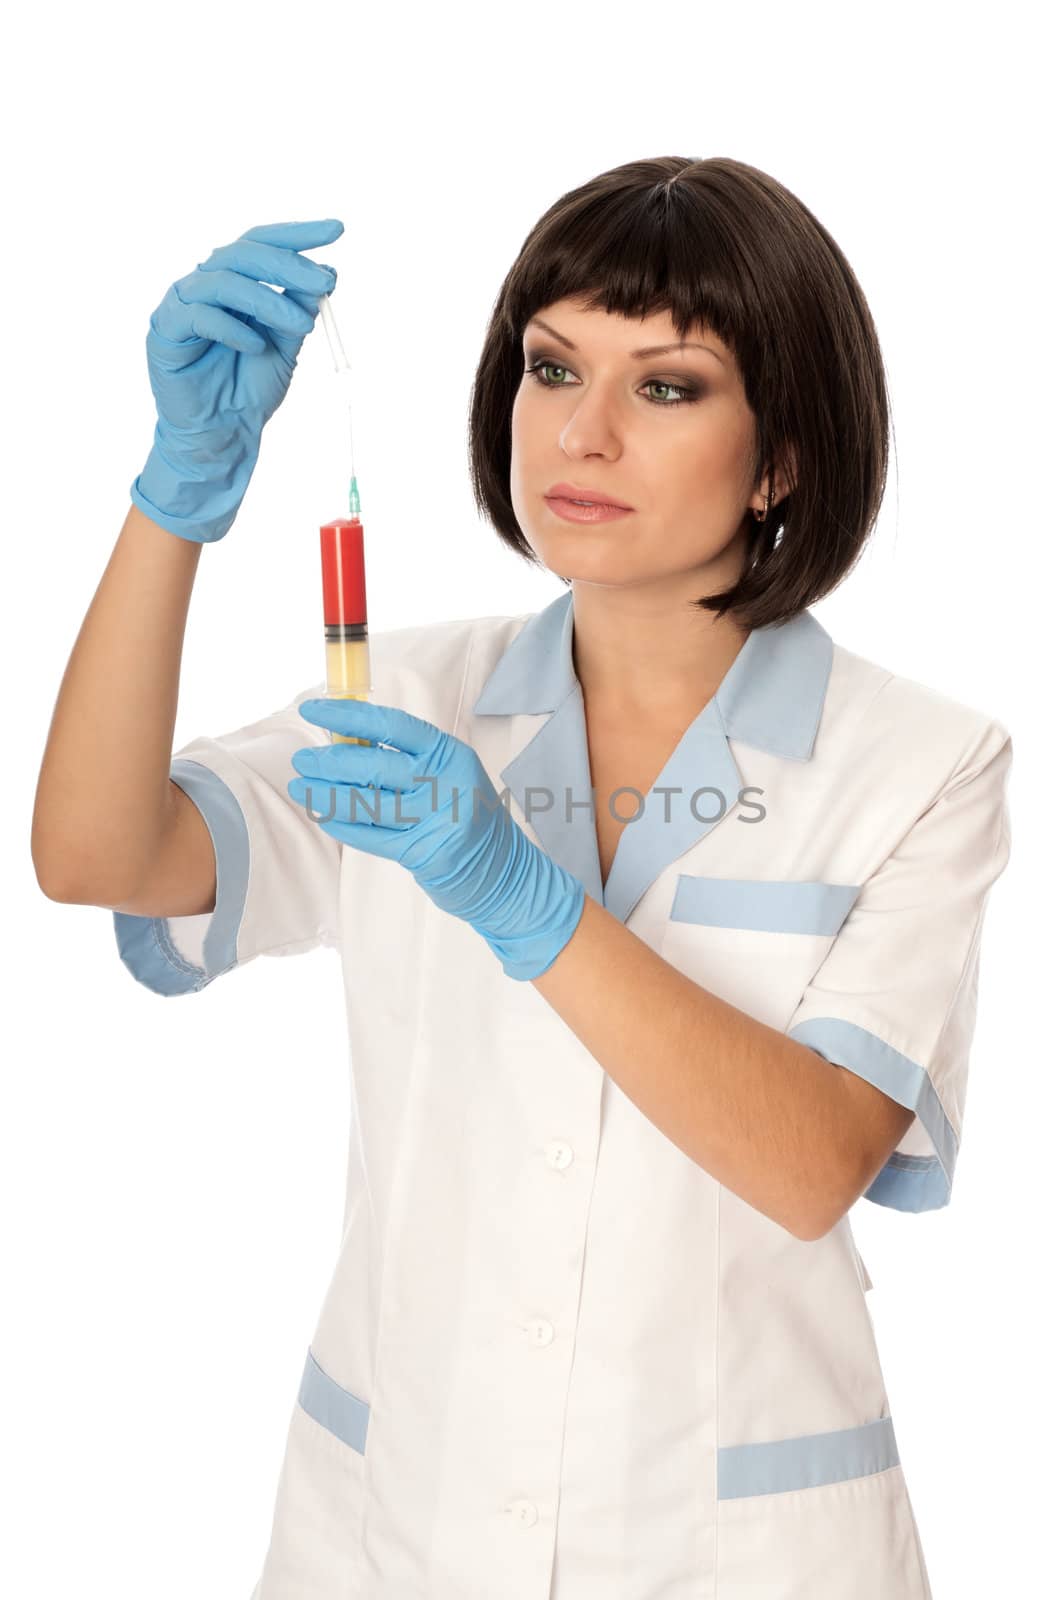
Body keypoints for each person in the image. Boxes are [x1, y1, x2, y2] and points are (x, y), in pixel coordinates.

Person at [31, 157, 1013, 1599]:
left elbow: (812, 1166)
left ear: (783, 456)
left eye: (666, 386)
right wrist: (174, 500)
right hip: (396, 1525)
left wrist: (521, 893)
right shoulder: (413, 697)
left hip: (737, 1543)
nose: (584, 434)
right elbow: (96, 855)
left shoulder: (920, 762)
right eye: (553, 369)